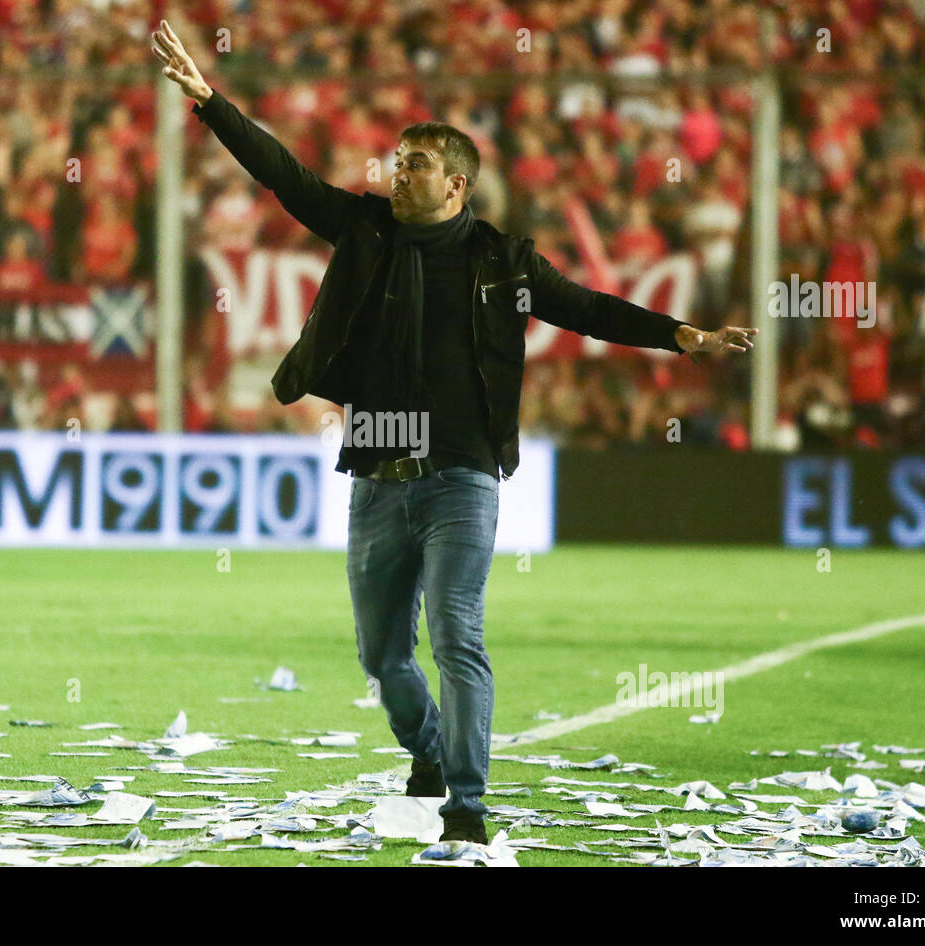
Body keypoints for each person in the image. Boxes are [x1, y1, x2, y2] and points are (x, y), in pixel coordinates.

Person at [151, 20, 756, 844]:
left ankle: (466, 808)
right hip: (376, 472)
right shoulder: (365, 230)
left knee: (458, 637)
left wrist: (683, 335)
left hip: (463, 477)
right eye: (396, 162)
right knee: (382, 658)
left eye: (417, 165)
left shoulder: (506, 263)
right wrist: (209, 101)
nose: (398, 174)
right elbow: (284, 176)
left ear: (458, 186)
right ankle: (427, 752)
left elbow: (586, 309)